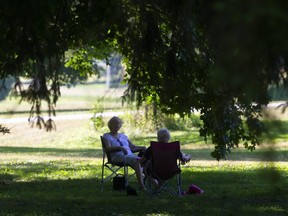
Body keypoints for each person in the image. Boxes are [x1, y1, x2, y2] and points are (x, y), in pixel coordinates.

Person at [103, 116, 147, 190]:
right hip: (117, 157)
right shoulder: (107, 136)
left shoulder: (123, 136)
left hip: (130, 157)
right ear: (110, 125)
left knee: (146, 161)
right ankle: (142, 186)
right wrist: (120, 148)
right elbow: (107, 149)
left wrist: (143, 148)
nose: (117, 125)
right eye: (114, 123)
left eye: (118, 123)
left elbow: (133, 148)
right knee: (138, 161)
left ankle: (156, 184)